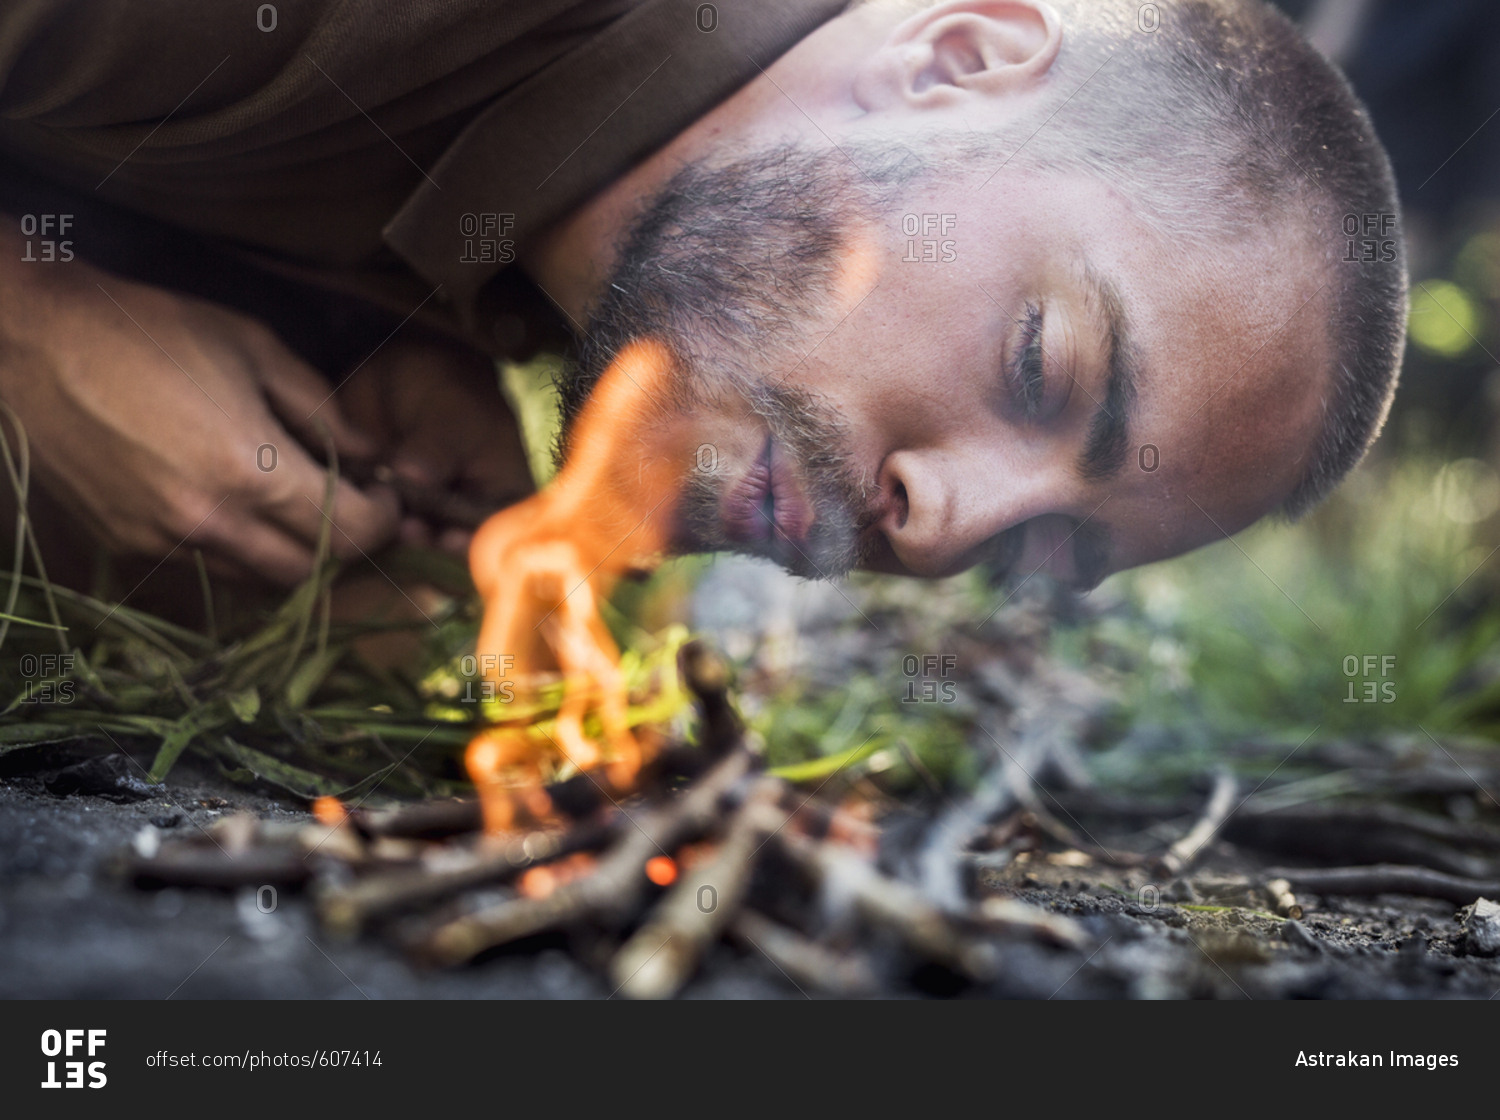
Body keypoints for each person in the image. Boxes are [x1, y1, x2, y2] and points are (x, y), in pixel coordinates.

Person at [0, 0, 1406, 595]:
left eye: (1035, 555)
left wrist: (383, 327)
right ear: (963, 55)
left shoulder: (578, 223)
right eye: (1040, 367)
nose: (940, 535)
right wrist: (29, 332)